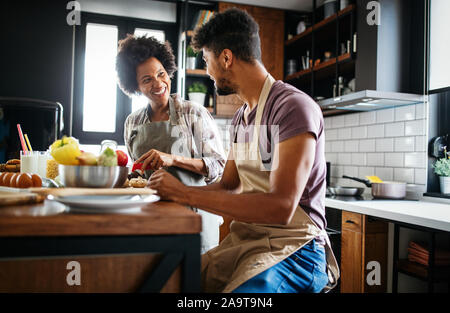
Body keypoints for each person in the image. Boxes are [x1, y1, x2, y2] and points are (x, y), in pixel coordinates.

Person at [148, 8, 340, 293]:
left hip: (297, 250)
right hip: (248, 243)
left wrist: (184, 193)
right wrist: (171, 190)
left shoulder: (292, 107)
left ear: (226, 58)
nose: (208, 70)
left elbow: (281, 208)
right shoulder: (242, 117)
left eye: (207, 60)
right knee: (167, 283)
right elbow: (228, 187)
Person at [116, 35, 226, 254]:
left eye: (161, 74)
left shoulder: (193, 113)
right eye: (147, 80)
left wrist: (173, 158)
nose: (158, 84)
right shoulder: (133, 122)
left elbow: (218, 166)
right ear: (136, 86)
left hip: (196, 215)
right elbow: (137, 175)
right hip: (152, 217)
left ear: (168, 72)